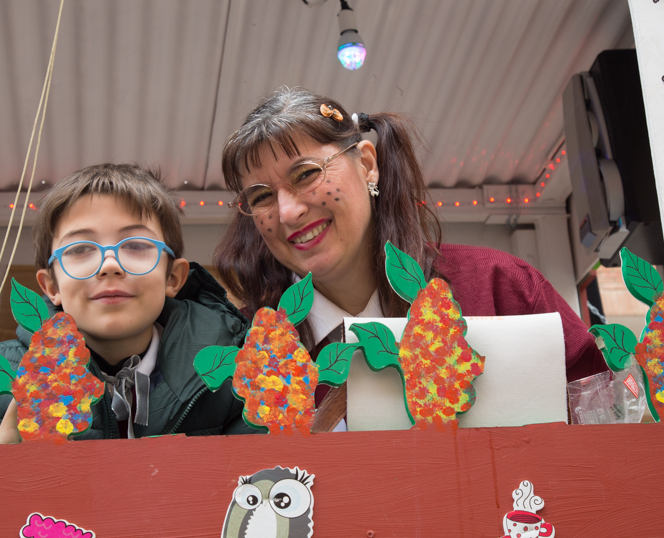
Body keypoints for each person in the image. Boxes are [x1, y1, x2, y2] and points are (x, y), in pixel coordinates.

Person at [213, 87, 608, 426]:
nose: (287, 212)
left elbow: (603, 424)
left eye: (306, 174)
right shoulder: (252, 348)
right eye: (262, 196)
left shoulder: (498, 286)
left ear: (367, 165)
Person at [0, 164, 259, 446]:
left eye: (136, 244)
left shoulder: (238, 373)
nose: (109, 265)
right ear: (52, 287)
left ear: (173, 277)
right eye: (79, 249)